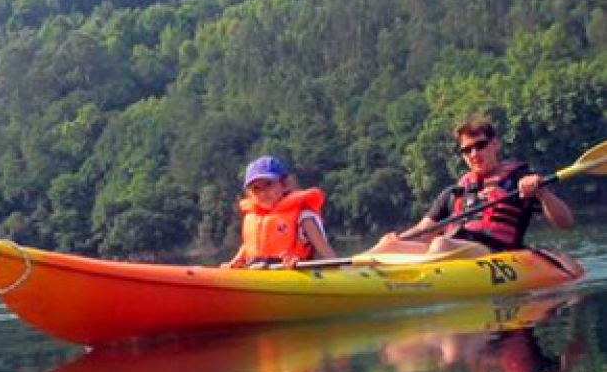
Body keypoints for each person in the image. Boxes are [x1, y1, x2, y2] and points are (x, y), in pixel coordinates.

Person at [370, 117, 574, 258]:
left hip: (493, 253)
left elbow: (566, 223)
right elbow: (424, 229)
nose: (474, 154)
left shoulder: (519, 180)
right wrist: (397, 239)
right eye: (467, 150)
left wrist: (542, 193)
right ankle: (341, 272)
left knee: (441, 244)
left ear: (495, 144)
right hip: (452, 249)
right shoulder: (453, 193)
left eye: (480, 145)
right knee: (388, 244)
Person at [226, 155, 337, 269]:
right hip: (258, 271)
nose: (263, 193)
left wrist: (340, 270)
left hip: (296, 272)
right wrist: (236, 261)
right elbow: (249, 245)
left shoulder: (303, 216)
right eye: (256, 189)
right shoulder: (253, 217)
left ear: (284, 185)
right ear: (249, 193)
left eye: (268, 184)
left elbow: (325, 250)